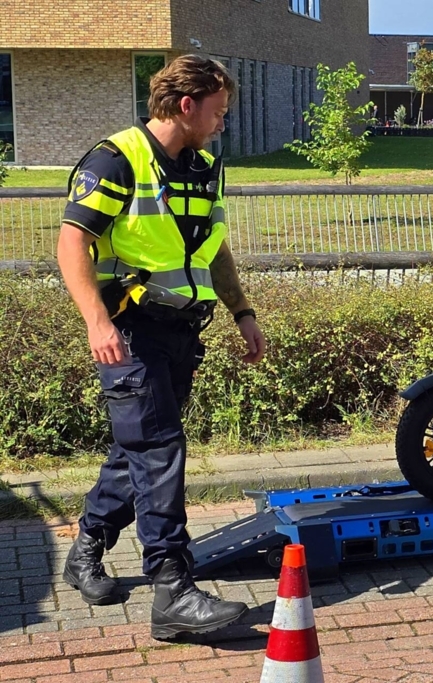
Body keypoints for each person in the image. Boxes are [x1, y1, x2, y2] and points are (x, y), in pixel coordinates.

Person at [56, 54, 266, 640]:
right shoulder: (116, 159)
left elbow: (213, 248)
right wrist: (96, 321)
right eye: (220, 111)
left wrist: (241, 311)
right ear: (186, 105)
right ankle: (172, 590)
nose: (224, 121)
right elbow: (72, 244)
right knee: (157, 448)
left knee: (138, 451)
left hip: (181, 331)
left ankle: (87, 548)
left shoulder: (202, 166)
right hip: (129, 329)